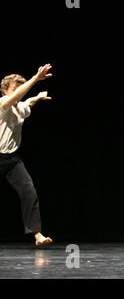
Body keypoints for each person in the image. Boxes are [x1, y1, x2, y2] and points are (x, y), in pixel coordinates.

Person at [0, 64, 54, 246]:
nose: (18, 94)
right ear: (4, 91)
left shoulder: (19, 108)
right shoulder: (1, 104)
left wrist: (37, 98)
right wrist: (35, 79)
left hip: (12, 159)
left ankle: (37, 235)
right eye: (14, 90)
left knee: (29, 191)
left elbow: (26, 102)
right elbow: (17, 97)